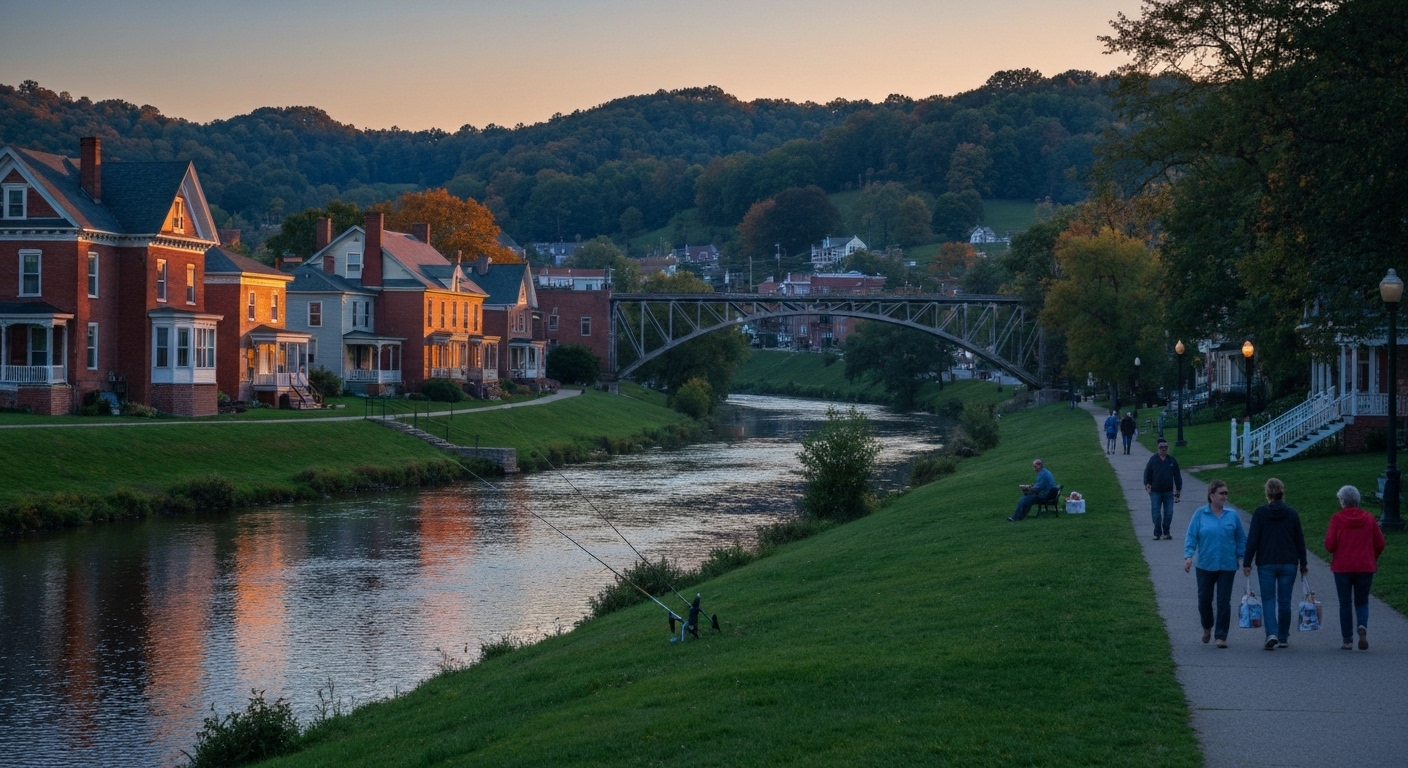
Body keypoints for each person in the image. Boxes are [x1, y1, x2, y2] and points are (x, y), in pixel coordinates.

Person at [1241, 478, 1308, 650]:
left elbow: (1253, 539)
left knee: (1269, 599)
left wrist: (1247, 561)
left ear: (1267, 493)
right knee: (1285, 601)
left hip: (1266, 562)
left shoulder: (1261, 513)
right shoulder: (1291, 513)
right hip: (1289, 562)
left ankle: (1272, 634)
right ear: (1282, 492)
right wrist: (1303, 563)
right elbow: (1299, 539)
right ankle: (1284, 636)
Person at [1183, 479, 1246, 648]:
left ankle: (1221, 636)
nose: (1225, 496)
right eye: (1221, 493)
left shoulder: (1232, 515)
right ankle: (1207, 626)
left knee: (1223, 601)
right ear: (1211, 496)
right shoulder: (1200, 514)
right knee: (1204, 600)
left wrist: (1242, 557)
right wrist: (1188, 556)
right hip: (1205, 564)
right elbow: (1191, 536)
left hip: (1227, 565)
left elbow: (1241, 539)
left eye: (1226, 493)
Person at [1324, 486, 1385, 651]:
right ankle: (1362, 626)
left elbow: (1329, 546)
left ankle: (1347, 640)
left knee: (1345, 603)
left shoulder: (1337, 519)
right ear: (1357, 500)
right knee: (1362, 600)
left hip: (1342, 566)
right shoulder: (1369, 518)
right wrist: (1373, 557)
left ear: (1342, 501)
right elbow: (1380, 543)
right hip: (1365, 565)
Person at [1143, 438, 1183, 540]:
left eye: (1165, 447)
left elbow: (1177, 476)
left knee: (1169, 513)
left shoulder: (1171, 460)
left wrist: (1178, 489)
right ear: (1157, 448)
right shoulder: (1153, 460)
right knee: (1156, 513)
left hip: (1168, 491)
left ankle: (1166, 532)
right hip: (1155, 491)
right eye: (1161, 447)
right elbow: (1147, 473)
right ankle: (1157, 533)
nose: (1163, 449)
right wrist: (1147, 483)